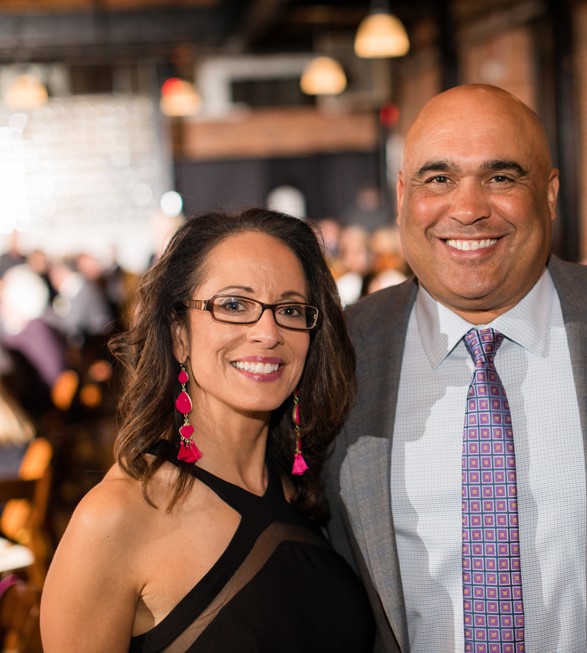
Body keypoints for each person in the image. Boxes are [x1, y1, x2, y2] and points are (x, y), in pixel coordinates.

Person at [324, 84, 587, 652]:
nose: (468, 209)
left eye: (501, 177)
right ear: (402, 195)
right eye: (438, 178)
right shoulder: (339, 357)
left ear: (549, 192)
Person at [41, 209, 374, 652]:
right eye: (234, 305)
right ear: (179, 333)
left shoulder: (314, 487)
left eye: (290, 309)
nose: (268, 332)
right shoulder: (115, 519)